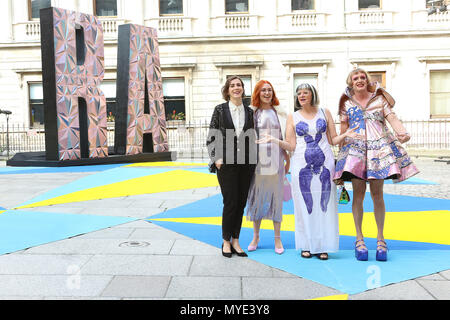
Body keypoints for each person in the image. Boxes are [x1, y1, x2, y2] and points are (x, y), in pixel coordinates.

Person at [258, 83, 360, 260]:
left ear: (312, 94)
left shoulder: (324, 112)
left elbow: (333, 140)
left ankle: (323, 246)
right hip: (301, 164)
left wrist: (346, 135)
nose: (301, 95)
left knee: (325, 205)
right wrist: (274, 140)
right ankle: (306, 245)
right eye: (299, 93)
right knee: (305, 205)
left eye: (305, 92)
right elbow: (291, 145)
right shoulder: (293, 116)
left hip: (325, 163)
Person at [334, 68, 420, 261]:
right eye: (355, 78)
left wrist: (402, 132)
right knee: (358, 194)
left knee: (377, 194)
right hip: (355, 150)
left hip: (379, 150)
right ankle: (359, 238)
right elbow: (343, 128)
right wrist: (341, 155)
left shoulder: (380, 100)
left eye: (362, 77)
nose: (359, 80)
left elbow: (392, 118)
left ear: (367, 81)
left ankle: (381, 239)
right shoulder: (346, 103)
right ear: (350, 83)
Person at [206, 76, 257, 258]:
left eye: (239, 85)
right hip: (226, 163)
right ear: (227, 90)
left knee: (241, 203)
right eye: (232, 85)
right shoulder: (220, 110)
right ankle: (226, 241)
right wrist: (217, 159)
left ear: (243, 89)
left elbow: (251, 136)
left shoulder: (250, 112)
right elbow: (212, 135)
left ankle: (236, 240)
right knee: (230, 202)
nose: (236, 88)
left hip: (246, 163)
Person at [246, 80, 289, 255]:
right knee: (257, 198)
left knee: (276, 198)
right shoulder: (252, 113)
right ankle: (256, 236)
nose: (267, 93)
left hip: (277, 160)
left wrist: (289, 160)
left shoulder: (280, 113)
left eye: (269, 90)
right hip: (257, 161)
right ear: (257, 92)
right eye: (263, 90)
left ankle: (277, 238)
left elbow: (284, 136)